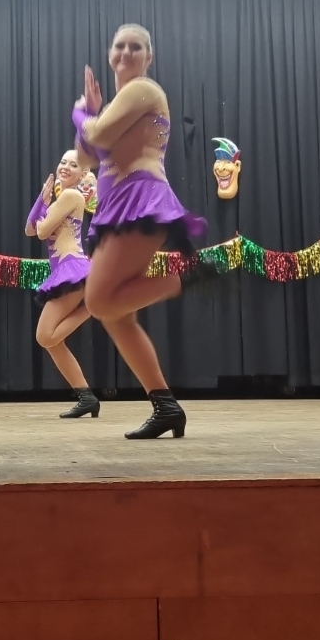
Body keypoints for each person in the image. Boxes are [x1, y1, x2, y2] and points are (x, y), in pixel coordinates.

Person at [72, 24, 216, 440]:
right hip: (118, 206)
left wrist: (81, 114)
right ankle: (165, 406)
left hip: (140, 200)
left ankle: (185, 277)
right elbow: (86, 159)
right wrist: (92, 114)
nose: (126, 52)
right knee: (118, 317)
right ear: (109, 53)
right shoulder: (119, 102)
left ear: (148, 57)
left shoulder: (143, 89)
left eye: (135, 47)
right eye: (119, 46)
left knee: (99, 301)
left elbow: (96, 135)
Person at [26, 150, 99, 418]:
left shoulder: (70, 196)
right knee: (54, 343)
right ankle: (86, 397)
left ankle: (94, 308)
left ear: (83, 174)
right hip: (66, 269)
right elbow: (30, 229)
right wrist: (42, 200)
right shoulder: (62, 198)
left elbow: (42, 231)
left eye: (74, 164)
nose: (66, 167)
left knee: (45, 336)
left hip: (71, 269)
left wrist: (44, 206)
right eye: (63, 162)